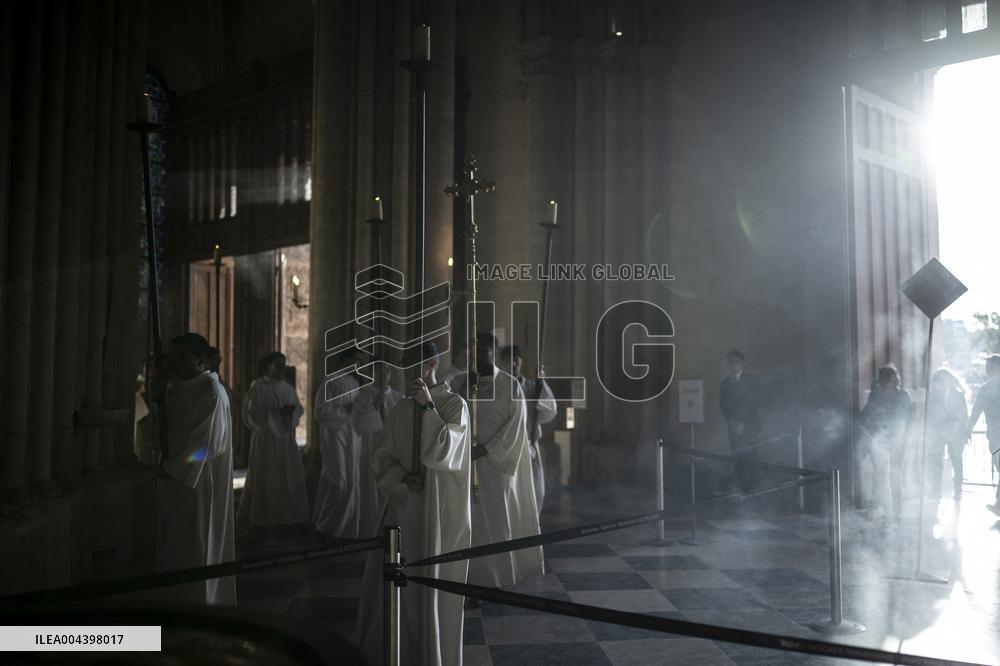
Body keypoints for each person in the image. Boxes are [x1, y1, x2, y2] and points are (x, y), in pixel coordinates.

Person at [356, 342, 471, 666]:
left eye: (414, 362)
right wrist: (401, 477)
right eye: (404, 362)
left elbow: (445, 452)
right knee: (396, 590)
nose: (407, 368)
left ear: (432, 363)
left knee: (426, 592)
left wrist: (427, 408)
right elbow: (382, 457)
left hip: (435, 516)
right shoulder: (400, 409)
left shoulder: (453, 405)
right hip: (403, 510)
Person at [454, 333, 543, 587]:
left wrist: (484, 449)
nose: (477, 354)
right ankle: (471, 577)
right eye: (473, 349)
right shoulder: (462, 382)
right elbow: (450, 415)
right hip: (465, 463)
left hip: (496, 465)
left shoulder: (509, 385)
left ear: (493, 352)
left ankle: (499, 577)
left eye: (483, 349)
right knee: (470, 523)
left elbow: (516, 428)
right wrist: (462, 390)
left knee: (497, 519)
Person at [157, 332, 236, 605]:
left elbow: (209, 445)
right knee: (178, 544)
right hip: (178, 477)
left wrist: (175, 468)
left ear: (201, 360)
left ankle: (202, 605)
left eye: (182, 357)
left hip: (201, 482)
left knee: (199, 543)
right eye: (173, 357)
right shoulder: (180, 387)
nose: (174, 363)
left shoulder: (211, 391)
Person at [237, 352, 310, 532]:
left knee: (286, 476)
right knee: (265, 476)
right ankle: (262, 520)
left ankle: (289, 518)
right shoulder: (259, 387)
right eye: (277, 364)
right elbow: (253, 414)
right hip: (266, 440)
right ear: (267, 366)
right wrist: (276, 415)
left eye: (282, 364)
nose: (280, 368)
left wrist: (289, 415)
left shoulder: (287, 389)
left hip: (285, 441)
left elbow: (298, 411)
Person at [313, 347, 365, 538]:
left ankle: (346, 530)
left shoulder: (355, 383)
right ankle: (327, 528)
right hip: (335, 439)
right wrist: (345, 410)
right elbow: (320, 412)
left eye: (361, 361)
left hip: (353, 439)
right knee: (338, 482)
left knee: (351, 482)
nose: (359, 365)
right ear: (346, 360)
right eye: (357, 360)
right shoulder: (330, 382)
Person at [499, 344, 557, 513]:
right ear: (503, 363)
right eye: (509, 361)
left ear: (521, 362)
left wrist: (542, 384)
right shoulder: (500, 388)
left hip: (528, 444)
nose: (513, 364)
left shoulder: (531, 387)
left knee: (532, 490)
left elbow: (548, 412)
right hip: (505, 446)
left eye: (516, 360)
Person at [352, 361, 403, 532]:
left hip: (393, 452)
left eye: (388, 370)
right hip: (371, 449)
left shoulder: (398, 397)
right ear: (372, 372)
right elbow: (357, 425)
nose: (384, 374)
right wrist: (373, 407)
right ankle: (370, 529)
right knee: (372, 490)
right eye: (380, 370)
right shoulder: (362, 396)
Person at [858, 365, 913, 522]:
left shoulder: (903, 396)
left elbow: (908, 418)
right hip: (879, 439)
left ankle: (896, 511)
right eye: (882, 379)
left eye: (888, 379)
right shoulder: (876, 396)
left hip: (898, 441)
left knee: (895, 476)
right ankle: (876, 507)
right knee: (879, 476)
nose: (885, 382)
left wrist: (905, 438)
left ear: (894, 380)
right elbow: (866, 415)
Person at [718, 350, 762, 492]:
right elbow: (723, 405)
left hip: (750, 425)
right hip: (733, 427)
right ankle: (741, 488)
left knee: (751, 456)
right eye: (731, 361)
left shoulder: (751, 380)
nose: (733, 364)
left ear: (741, 363)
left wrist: (743, 422)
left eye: (736, 361)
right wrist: (732, 421)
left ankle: (754, 489)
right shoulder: (725, 383)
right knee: (737, 456)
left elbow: (754, 403)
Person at [926, 367, 968, 501]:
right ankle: (935, 491)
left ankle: (958, 491)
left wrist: (958, 430)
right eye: (938, 381)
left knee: (956, 462)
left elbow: (963, 416)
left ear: (948, 380)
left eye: (942, 380)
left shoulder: (958, 395)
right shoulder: (934, 396)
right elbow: (931, 415)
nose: (940, 384)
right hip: (938, 434)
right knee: (936, 463)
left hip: (954, 435)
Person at [968, 354, 1000, 513]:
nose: (986, 369)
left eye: (989, 366)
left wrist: (968, 430)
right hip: (995, 437)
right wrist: (968, 430)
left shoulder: (986, 390)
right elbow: (975, 412)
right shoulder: (986, 390)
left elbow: (975, 412)